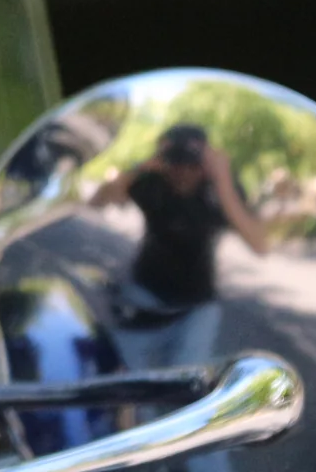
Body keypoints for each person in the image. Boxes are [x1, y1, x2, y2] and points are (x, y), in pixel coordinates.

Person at [90, 124, 270, 471]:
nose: (182, 170)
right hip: (142, 299)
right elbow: (98, 200)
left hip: (197, 307)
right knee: (135, 392)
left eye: (191, 161)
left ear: (206, 159)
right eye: (175, 160)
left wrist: (222, 179)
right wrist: (143, 166)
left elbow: (259, 243)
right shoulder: (151, 182)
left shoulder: (220, 190)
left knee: (193, 399)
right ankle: (143, 457)